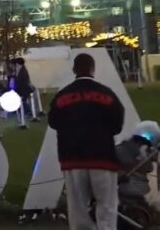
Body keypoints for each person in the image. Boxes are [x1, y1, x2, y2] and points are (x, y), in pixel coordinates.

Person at [48, 53, 124, 230]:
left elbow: (53, 122)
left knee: (78, 208)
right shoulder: (106, 94)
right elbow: (117, 125)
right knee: (107, 206)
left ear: (74, 69)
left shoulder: (62, 95)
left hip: (72, 158)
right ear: (93, 68)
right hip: (102, 157)